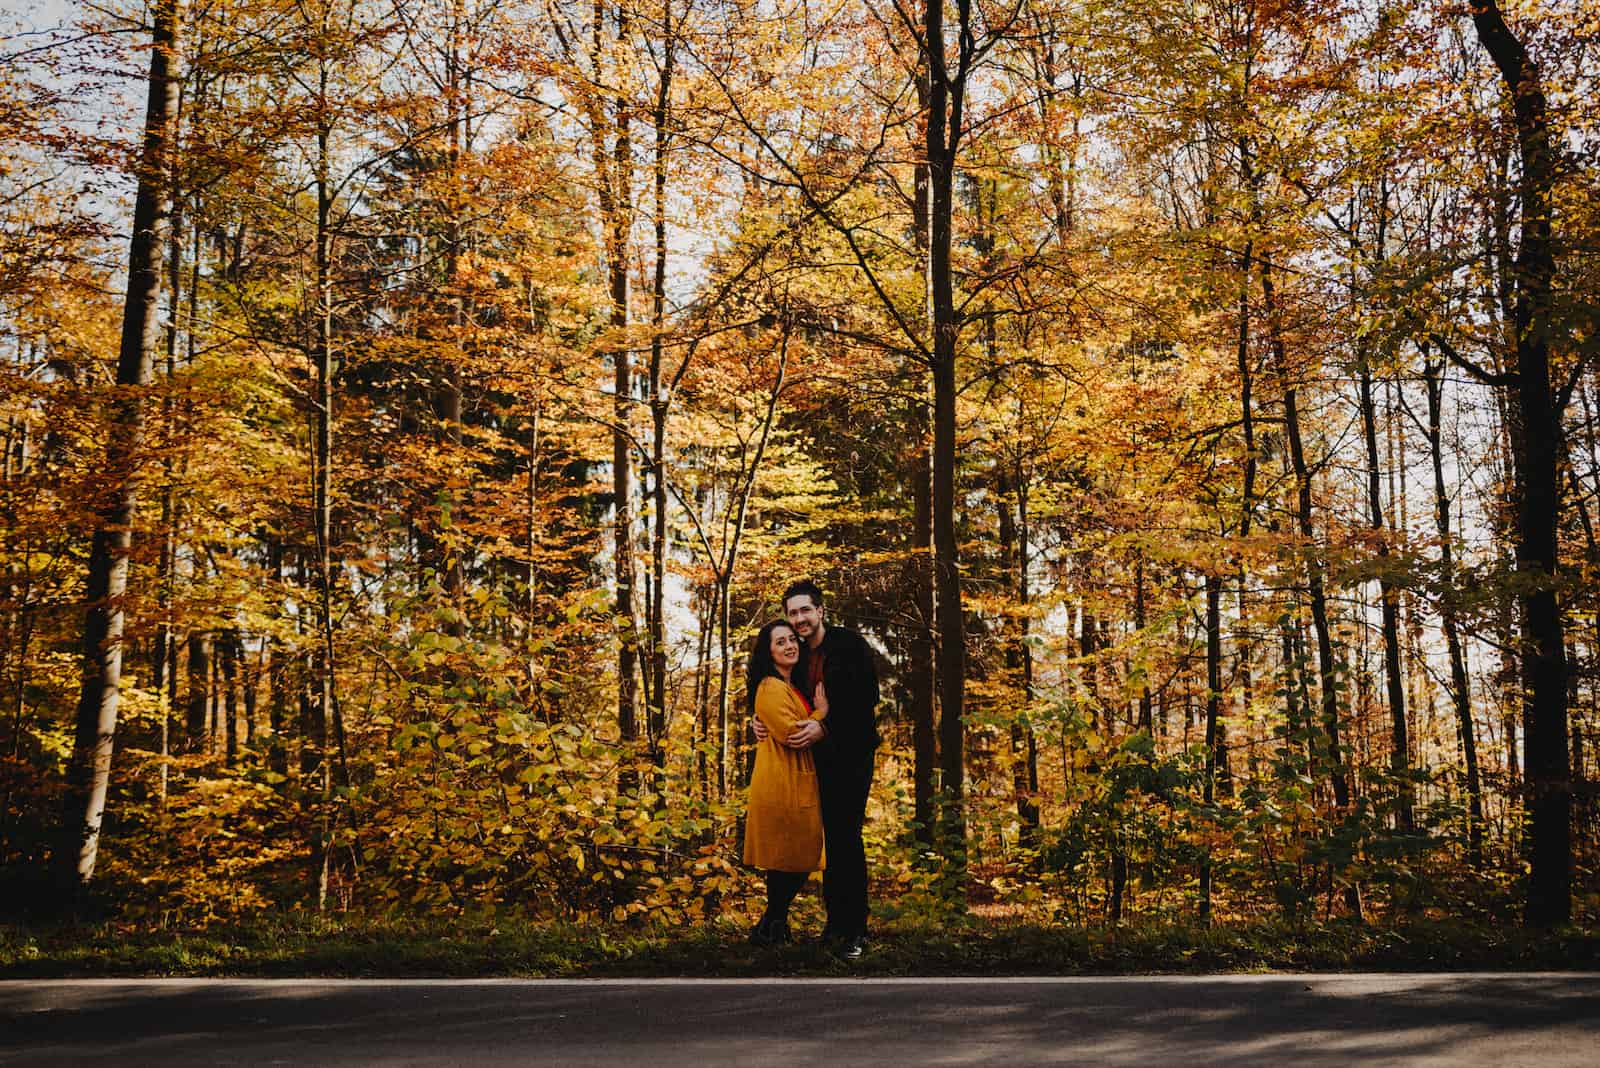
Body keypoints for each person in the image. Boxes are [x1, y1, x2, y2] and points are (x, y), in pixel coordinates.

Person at [753, 579, 880, 959]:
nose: (800, 619)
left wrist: (826, 726)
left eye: (805, 610)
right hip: (810, 763)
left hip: (851, 758)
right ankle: (806, 924)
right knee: (809, 840)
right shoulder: (795, 655)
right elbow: (778, 695)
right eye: (793, 613)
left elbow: (865, 702)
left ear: (821, 610)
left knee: (845, 839)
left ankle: (853, 930)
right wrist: (757, 720)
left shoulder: (849, 646)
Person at [742, 619, 828, 945]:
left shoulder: (791, 685)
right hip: (780, 780)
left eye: (792, 639)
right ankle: (772, 924)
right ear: (768, 652)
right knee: (788, 858)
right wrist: (822, 713)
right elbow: (793, 734)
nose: (790, 645)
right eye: (780, 642)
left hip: (795, 778)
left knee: (797, 855)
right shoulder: (770, 687)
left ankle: (770, 924)